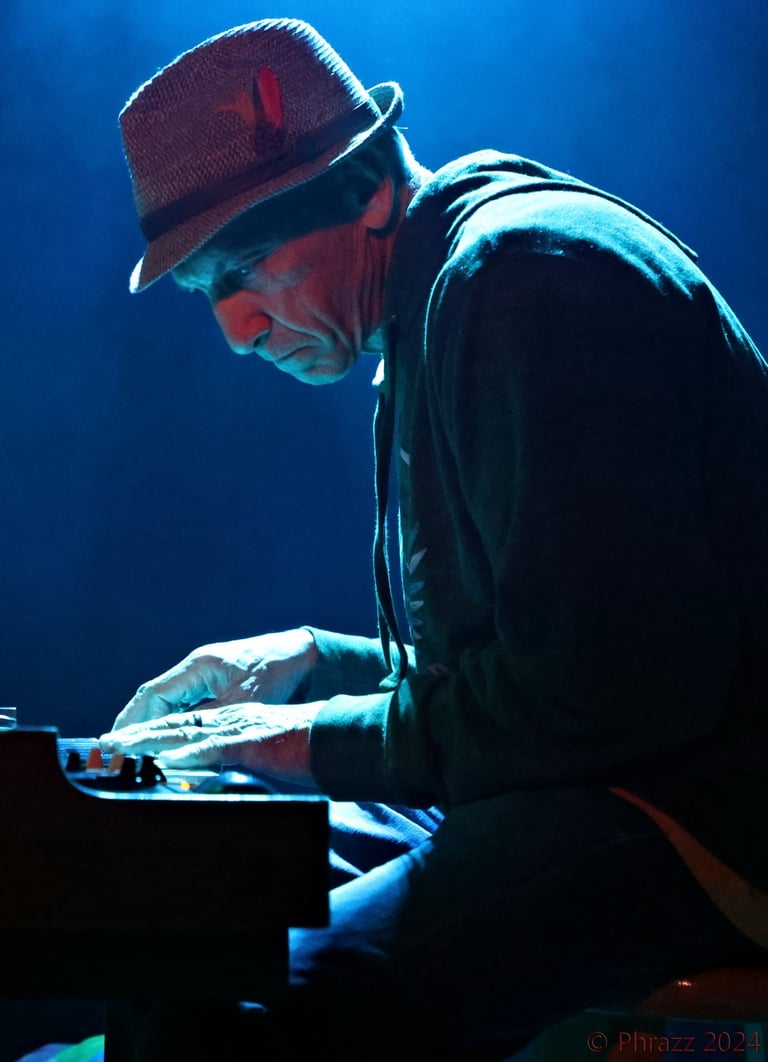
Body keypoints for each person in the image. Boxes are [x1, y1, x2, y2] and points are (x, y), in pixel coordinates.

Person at [101, 17, 768, 1061]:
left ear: (367, 188)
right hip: (594, 780)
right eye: (207, 293)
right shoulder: (445, 298)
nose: (235, 330)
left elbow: (603, 701)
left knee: (239, 1007)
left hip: (704, 821)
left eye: (248, 266)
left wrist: (304, 738)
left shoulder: (527, 280)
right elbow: (536, 665)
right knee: (172, 921)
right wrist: (315, 662)